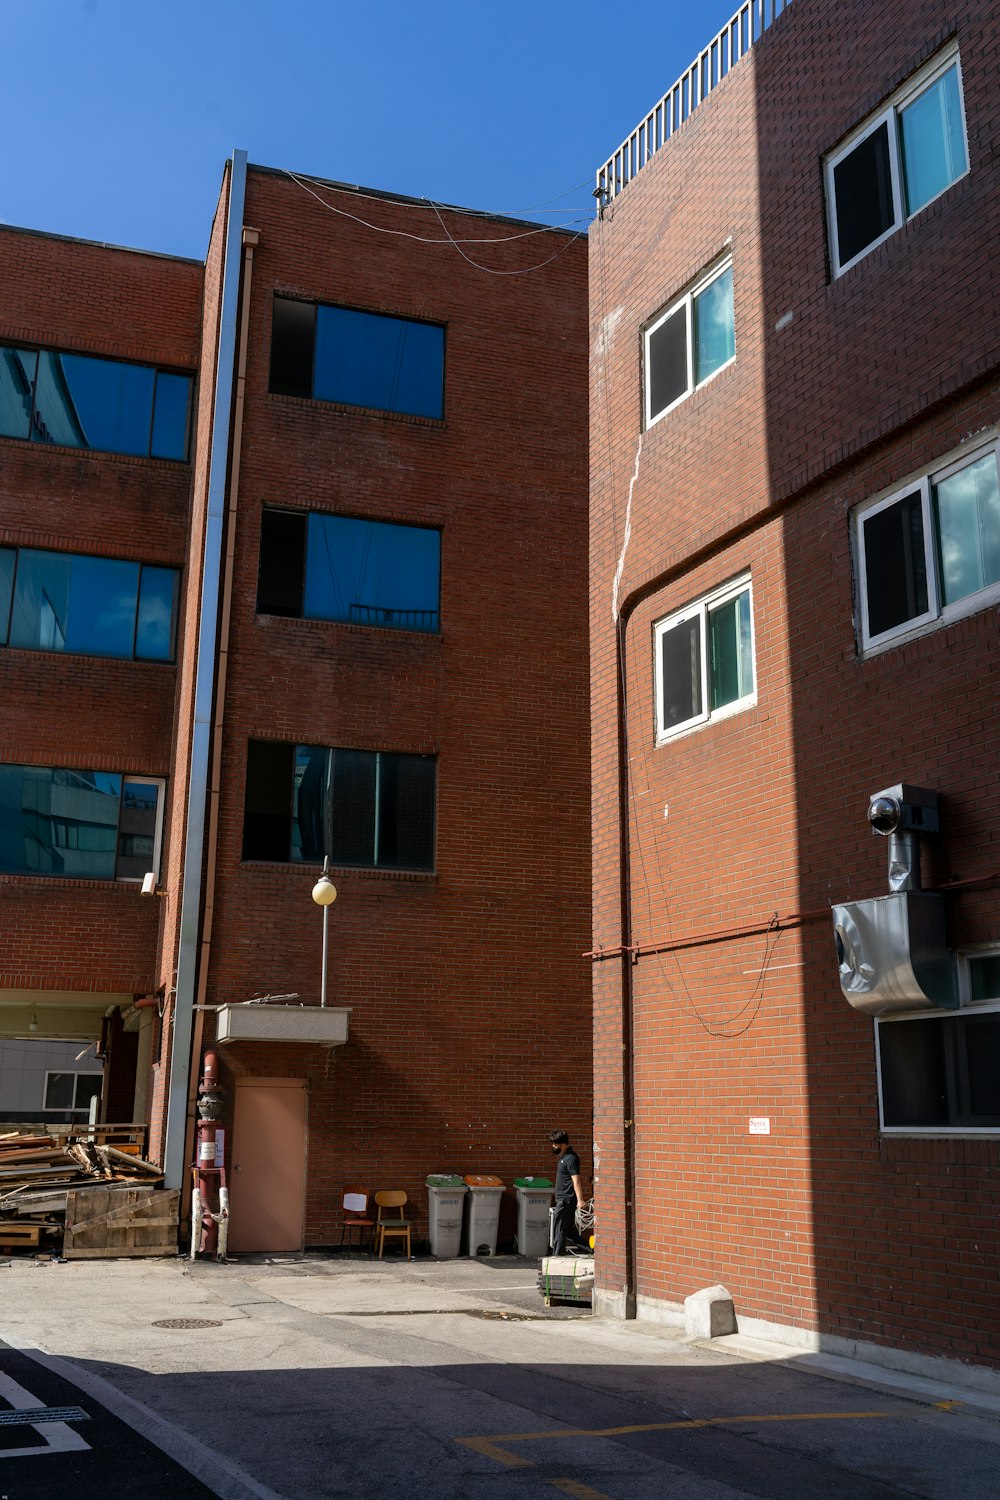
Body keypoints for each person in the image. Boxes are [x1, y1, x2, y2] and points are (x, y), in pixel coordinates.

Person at [549, 1128, 586, 1255]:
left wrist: (580, 1200)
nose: (553, 1146)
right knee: (568, 1230)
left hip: (566, 1199)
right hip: (563, 1198)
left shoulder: (571, 1159)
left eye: (556, 1144)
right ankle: (590, 1249)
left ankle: (557, 1255)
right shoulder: (563, 1157)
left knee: (559, 1227)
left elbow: (576, 1180)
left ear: (563, 1144)